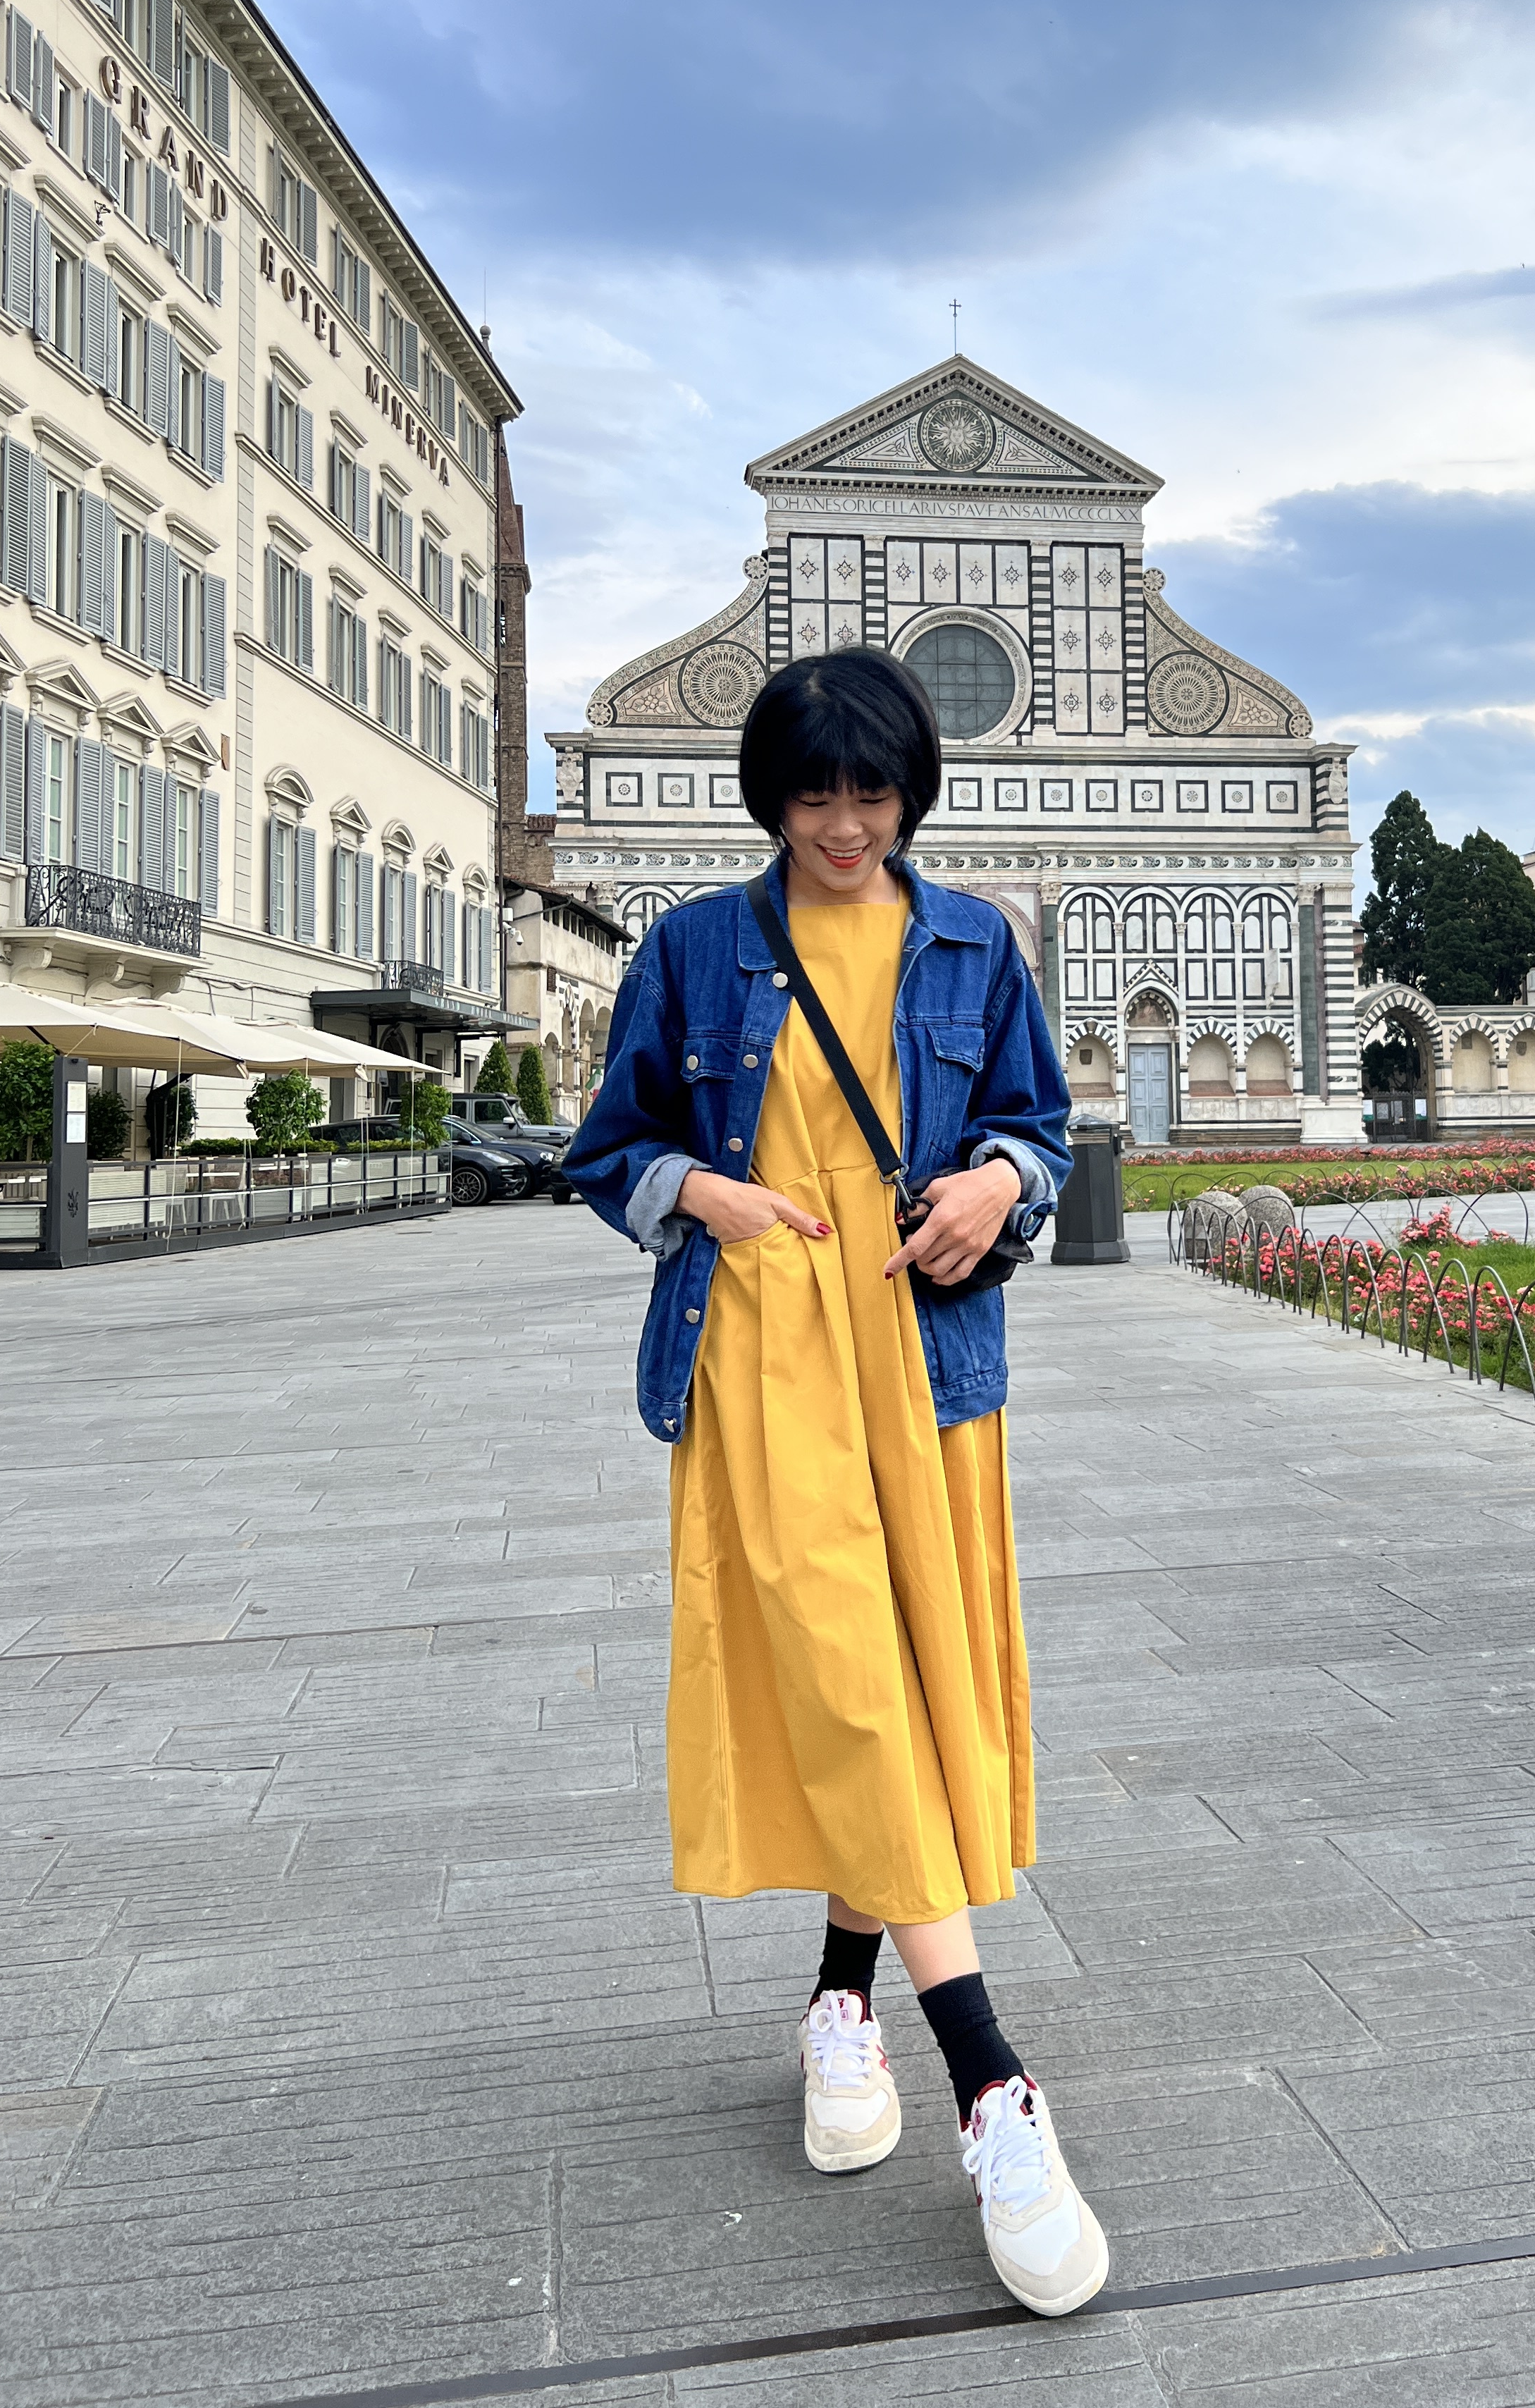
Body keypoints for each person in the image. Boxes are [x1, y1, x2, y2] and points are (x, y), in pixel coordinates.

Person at [563, 649, 1106, 2318]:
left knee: (914, 1681)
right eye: (816, 795)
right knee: (854, 1681)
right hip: (761, 1356)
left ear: (911, 793)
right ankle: (993, 2083)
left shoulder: (975, 942)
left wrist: (995, 1186)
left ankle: (839, 2002)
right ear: (771, 798)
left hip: (921, 1358)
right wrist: (705, 1196)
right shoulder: (694, 947)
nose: (847, 825)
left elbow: (1040, 1126)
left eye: (873, 794)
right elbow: (610, 1149)